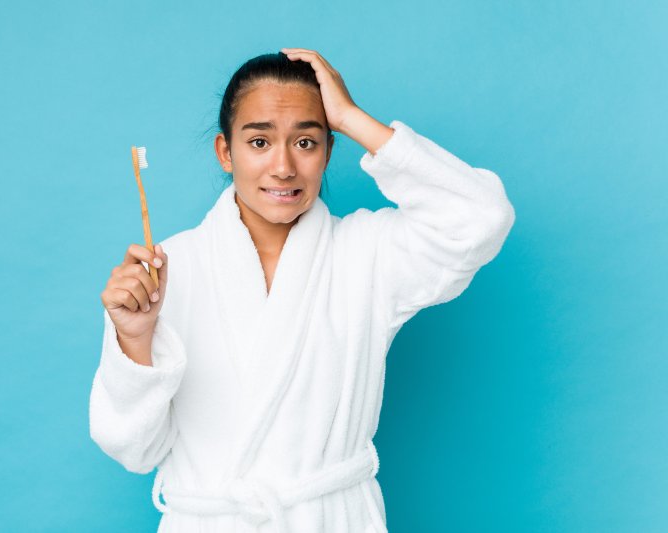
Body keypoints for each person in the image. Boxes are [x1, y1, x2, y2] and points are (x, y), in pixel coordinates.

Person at [89, 48, 516, 533]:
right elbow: (132, 449)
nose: (284, 167)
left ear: (330, 150)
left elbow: (482, 216)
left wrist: (352, 118)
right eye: (259, 142)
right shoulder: (166, 270)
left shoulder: (366, 254)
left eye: (307, 143)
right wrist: (135, 340)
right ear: (225, 152)